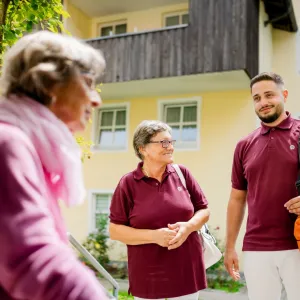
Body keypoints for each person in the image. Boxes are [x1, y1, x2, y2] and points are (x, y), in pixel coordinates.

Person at [0, 31, 108, 299]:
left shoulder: (29, 146)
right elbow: (32, 259)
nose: (96, 100)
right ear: (49, 82)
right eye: (88, 83)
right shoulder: (8, 143)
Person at [109, 120, 210, 300]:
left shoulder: (182, 174)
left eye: (171, 142)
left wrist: (189, 227)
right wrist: (154, 236)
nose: (169, 147)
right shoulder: (128, 183)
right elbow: (115, 231)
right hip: (148, 275)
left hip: (186, 270)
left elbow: (203, 210)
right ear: (142, 149)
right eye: (163, 142)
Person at [224, 72, 300, 300]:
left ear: (284, 95)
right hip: (257, 247)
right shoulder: (244, 145)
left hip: (297, 242)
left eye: (269, 95)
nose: (263, 102)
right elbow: (237, 199)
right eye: (257, 98)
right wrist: (230, 247)